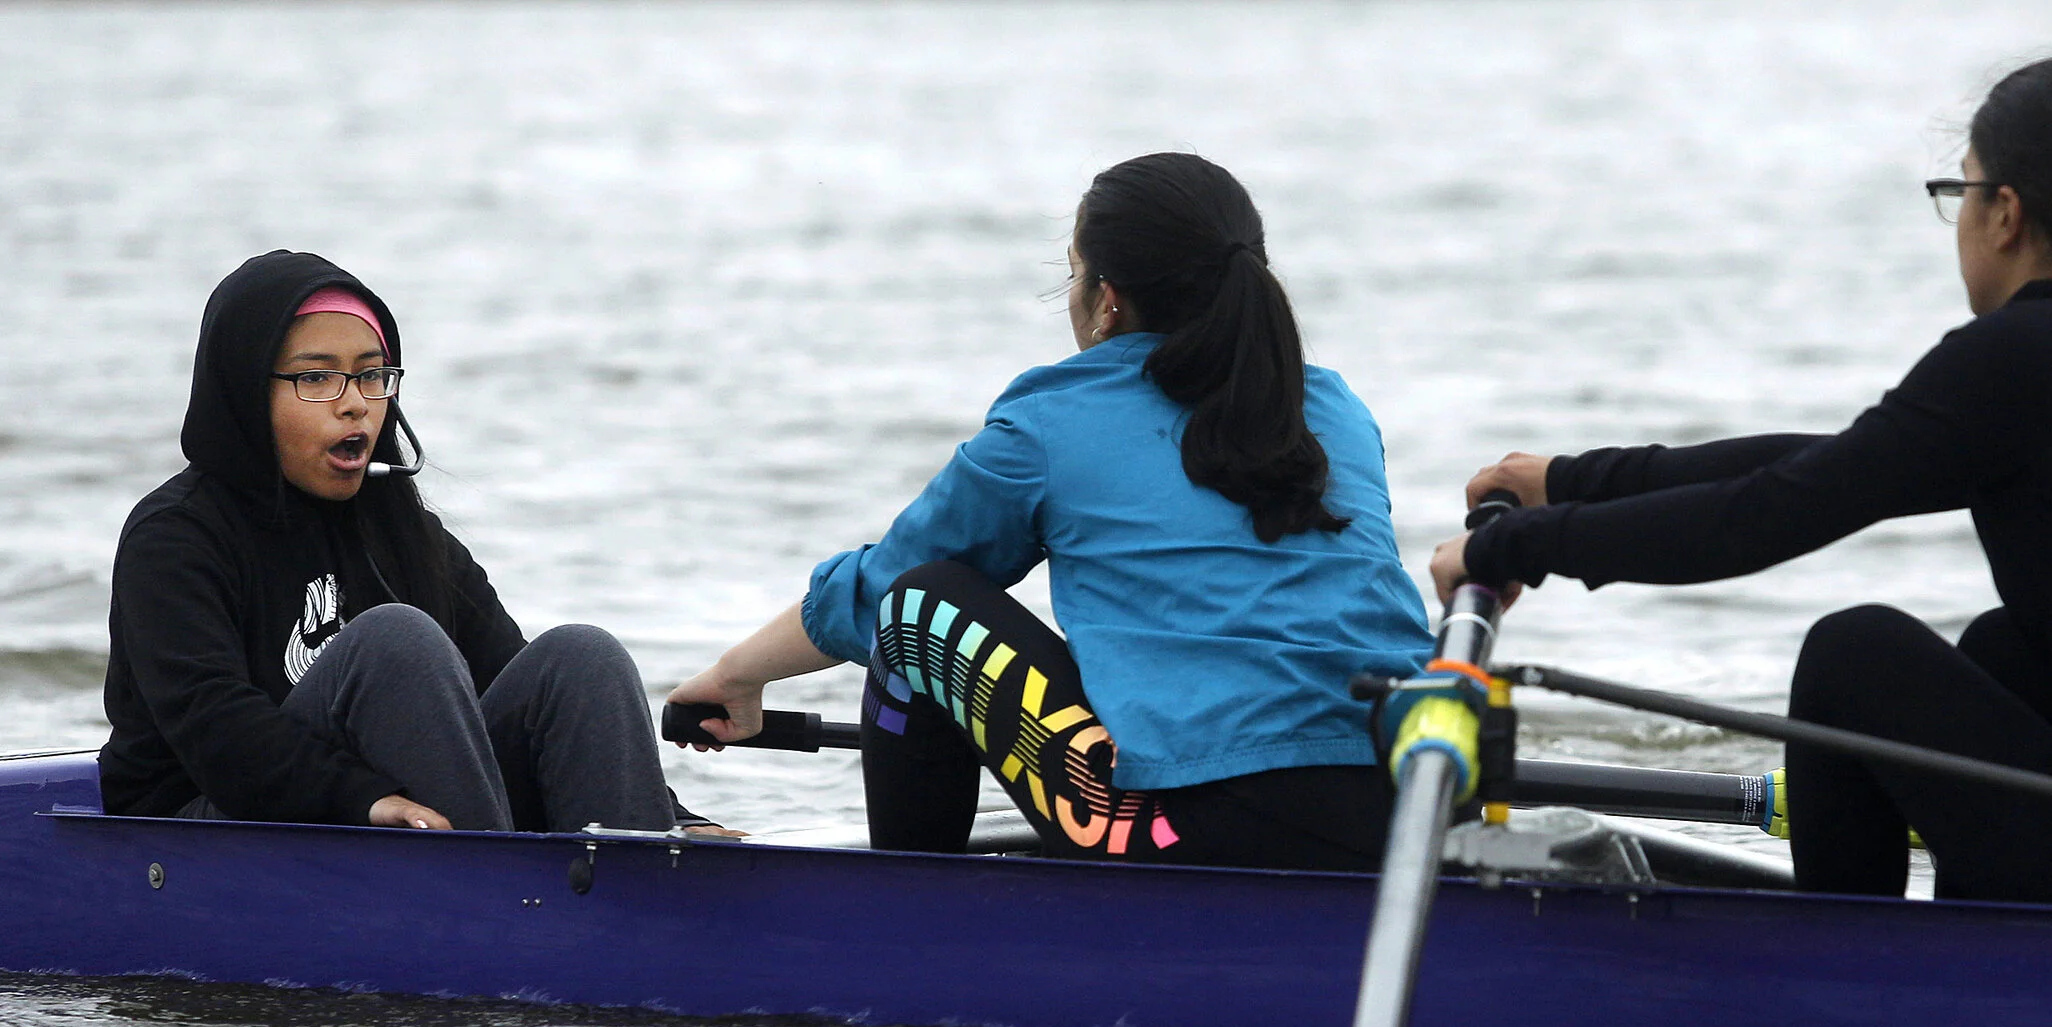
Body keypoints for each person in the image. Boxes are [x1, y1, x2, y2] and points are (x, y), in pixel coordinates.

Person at [1434, 54, 2052, 916]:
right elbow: (1837, 461)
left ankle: (1851, 976)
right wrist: (1571, 482)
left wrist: (1505, 549)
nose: (1957, 220)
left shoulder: (2029, 355)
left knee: (1854, 654)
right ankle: (1970, 951)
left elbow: (1765, 517)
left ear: (2006, 213)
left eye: (1959, 193)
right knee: (2003, 652)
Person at [671, 153, 1431, 870]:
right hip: (1402, 814)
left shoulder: (1052, 425)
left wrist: (735, 676)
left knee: (917, 615)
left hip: (1182, 837)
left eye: (1072, 274)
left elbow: (882, 586)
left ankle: (910, 923)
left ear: (1106, 301)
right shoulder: (1336, 410)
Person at [103, 250, 720, 836]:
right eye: (317, 378)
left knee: (580, 658)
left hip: (399, 817)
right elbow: (213, 726)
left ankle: (643, 869)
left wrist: (673, 814)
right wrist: (360, 798)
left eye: (372, 376)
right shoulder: (174, 537)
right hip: (201, 827)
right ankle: (492, 907)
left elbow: (516, 683)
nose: (356, 407)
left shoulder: (402, 528)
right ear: (244, 390)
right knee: (395, 640)